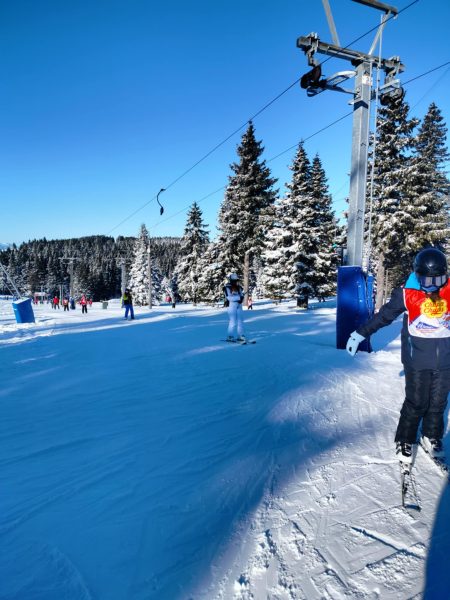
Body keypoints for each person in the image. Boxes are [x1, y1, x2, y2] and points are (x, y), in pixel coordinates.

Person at [346, 247, 450, 467]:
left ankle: (431, 436)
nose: (432, 286)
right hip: (416, 358)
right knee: (417, 402)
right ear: (418, 276)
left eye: (438, 280)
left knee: (438, 402)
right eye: (427, 281)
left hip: (445, 359)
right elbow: (384, 316)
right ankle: (405, 439)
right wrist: (360, 334)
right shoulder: (407, 294)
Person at [223, 273, 245, 341]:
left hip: (239, 305)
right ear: (231, 280)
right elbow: (229, 297)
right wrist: (239, 298)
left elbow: (241, 295)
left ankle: (240, 335)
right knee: (233, 321)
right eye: (234, 280)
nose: (235, 282)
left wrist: (241, 298)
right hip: (231, 305)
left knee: (240, 321)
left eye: (236, 280)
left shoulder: (239, 287)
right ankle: (230, 336)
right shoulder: (227, 287)